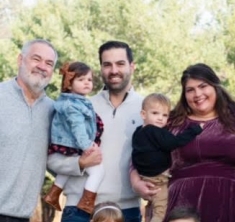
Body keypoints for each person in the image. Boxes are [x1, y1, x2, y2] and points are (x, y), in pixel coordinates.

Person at [47, 41, 158, 222]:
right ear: (101, 68)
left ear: (132, 66)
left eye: (120, 64)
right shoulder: (81, 107)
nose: (114, 70)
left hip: (127, 211)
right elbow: (52, 158)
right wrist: (80, 163)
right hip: (78, 212)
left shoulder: (148, 110)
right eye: (107, 65)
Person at [164, 63, 235, 222]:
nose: (197, 94)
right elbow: (143, 147)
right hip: (182, 205)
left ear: (215, 87)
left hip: (233, 202)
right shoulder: (171, 122)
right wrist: (137, 177)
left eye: (203, 86)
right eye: (190, 90)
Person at [0, 39, 58, 221]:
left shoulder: (53, 111)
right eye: (36, 59)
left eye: (49, 63)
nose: (42, 67)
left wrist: (81, 164)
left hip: (21, 216)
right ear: (20, 60)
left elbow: (56, 160)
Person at [43, 61, 105, 214]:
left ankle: (53, 194)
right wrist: (87, 147)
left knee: (69, 168)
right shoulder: (73, 106)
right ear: (69, 84)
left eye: (89, 80)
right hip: (72, 145)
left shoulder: (76, 101)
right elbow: (78, 128)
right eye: (81, 79)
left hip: (68, 146)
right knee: (98, 171)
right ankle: (87, 201)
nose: (86, 83)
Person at [132, 93, 203, 222]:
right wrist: (195, 130)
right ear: (143, 114)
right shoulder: (154, 131)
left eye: (164, 115)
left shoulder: (138, 131)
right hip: (158, 178)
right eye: (155, 113)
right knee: (160, 210)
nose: (160, 118)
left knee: (151, 205)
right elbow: (173, 143)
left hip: (145, 176)